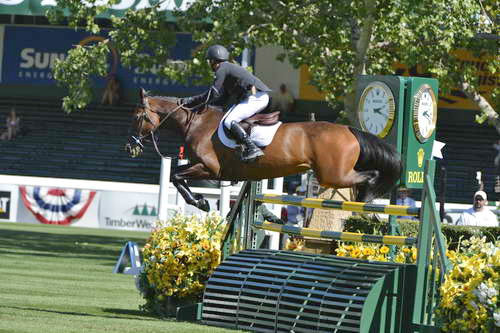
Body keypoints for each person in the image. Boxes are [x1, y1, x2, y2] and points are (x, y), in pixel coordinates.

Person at [180, 45, 272, 163]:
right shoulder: (227, 69)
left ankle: (252, 147)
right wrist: (201, 107)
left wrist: (191, 101)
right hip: (254, 97)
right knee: (226, 118)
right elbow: (222, 98)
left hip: (256, 97)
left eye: (209, 61)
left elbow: (212, 93)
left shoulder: (222, 68)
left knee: (229, 121)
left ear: (213, 61)